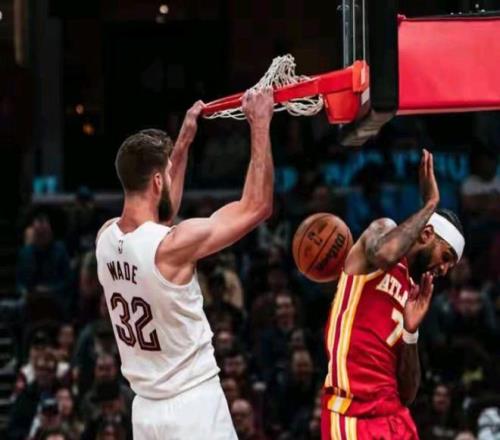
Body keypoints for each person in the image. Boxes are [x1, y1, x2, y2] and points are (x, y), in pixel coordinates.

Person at [95, 88, 274, 439]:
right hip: (193, 408)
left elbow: (158, 218)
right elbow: (257, 206)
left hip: (145, 412)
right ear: (158, 181)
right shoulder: (172, 246)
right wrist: (260, 123)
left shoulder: (105, 239)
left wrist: (183, 143)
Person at [321, 150, 465, 439]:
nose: (445, 269)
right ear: (426, 234)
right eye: (446, 256)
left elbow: (408, 393)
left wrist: (411, 333)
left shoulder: (414, 295)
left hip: (394, 418)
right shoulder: (382, 233)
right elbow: (385, 253)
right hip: (353, 415)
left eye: (451, 265)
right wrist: (431, 204)